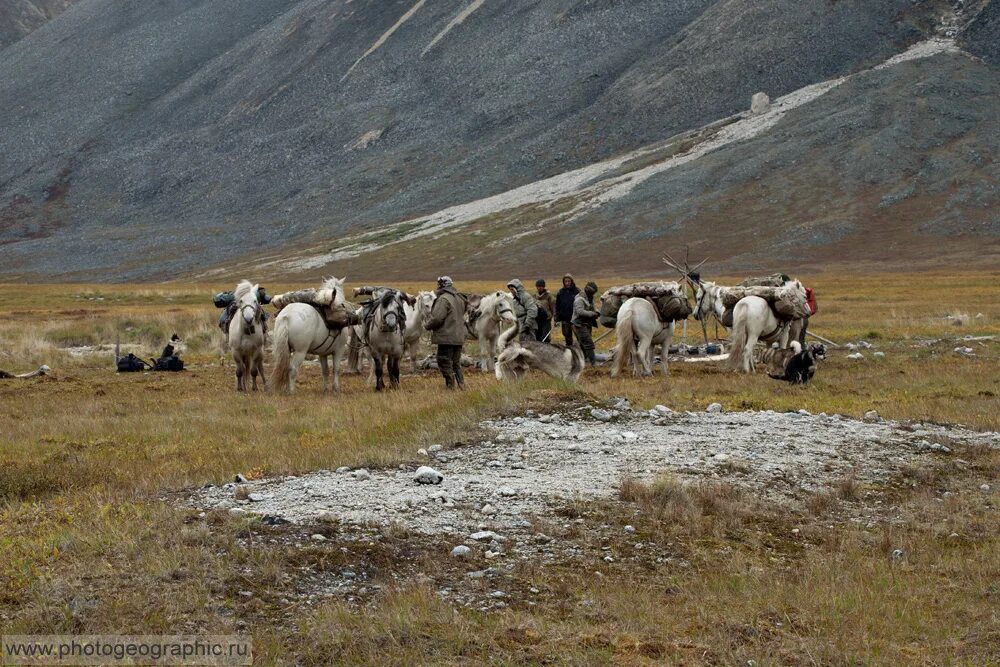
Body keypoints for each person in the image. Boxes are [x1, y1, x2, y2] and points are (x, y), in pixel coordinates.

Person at [424, 276, 468, 390]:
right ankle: (462, 385)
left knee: (444, 360)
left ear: (442, 285)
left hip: (447, 337)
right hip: (458, 336)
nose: (437, 286)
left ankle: (450, 386)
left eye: (438, 284)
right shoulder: (459, 298)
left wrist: (427, 325)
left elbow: (437, 318)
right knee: (456, 363)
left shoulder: (444, 299)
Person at [572, 281, 600, 366]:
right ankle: (593, 363)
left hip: (586, 324)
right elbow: (579, 312)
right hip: (579, 324)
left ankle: (579, 361)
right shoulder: (579, 299)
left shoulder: (589, 298)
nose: (593, 294)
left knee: (583, 344)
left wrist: (597, 312)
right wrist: (592, 314)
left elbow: (593, 306)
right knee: (588, 343)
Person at [554, 274, 579, 346]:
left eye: (569, 281)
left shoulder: (577, 291)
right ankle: (570, 351)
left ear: (572, 281)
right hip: (565, 319)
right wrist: (557, 318)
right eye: (566, 281)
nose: (567, 283)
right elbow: (557, 306)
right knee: (567, 337)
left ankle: (582, 352)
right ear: (563, 282)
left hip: (575, 319)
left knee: (579, 336)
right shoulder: (561, 292)